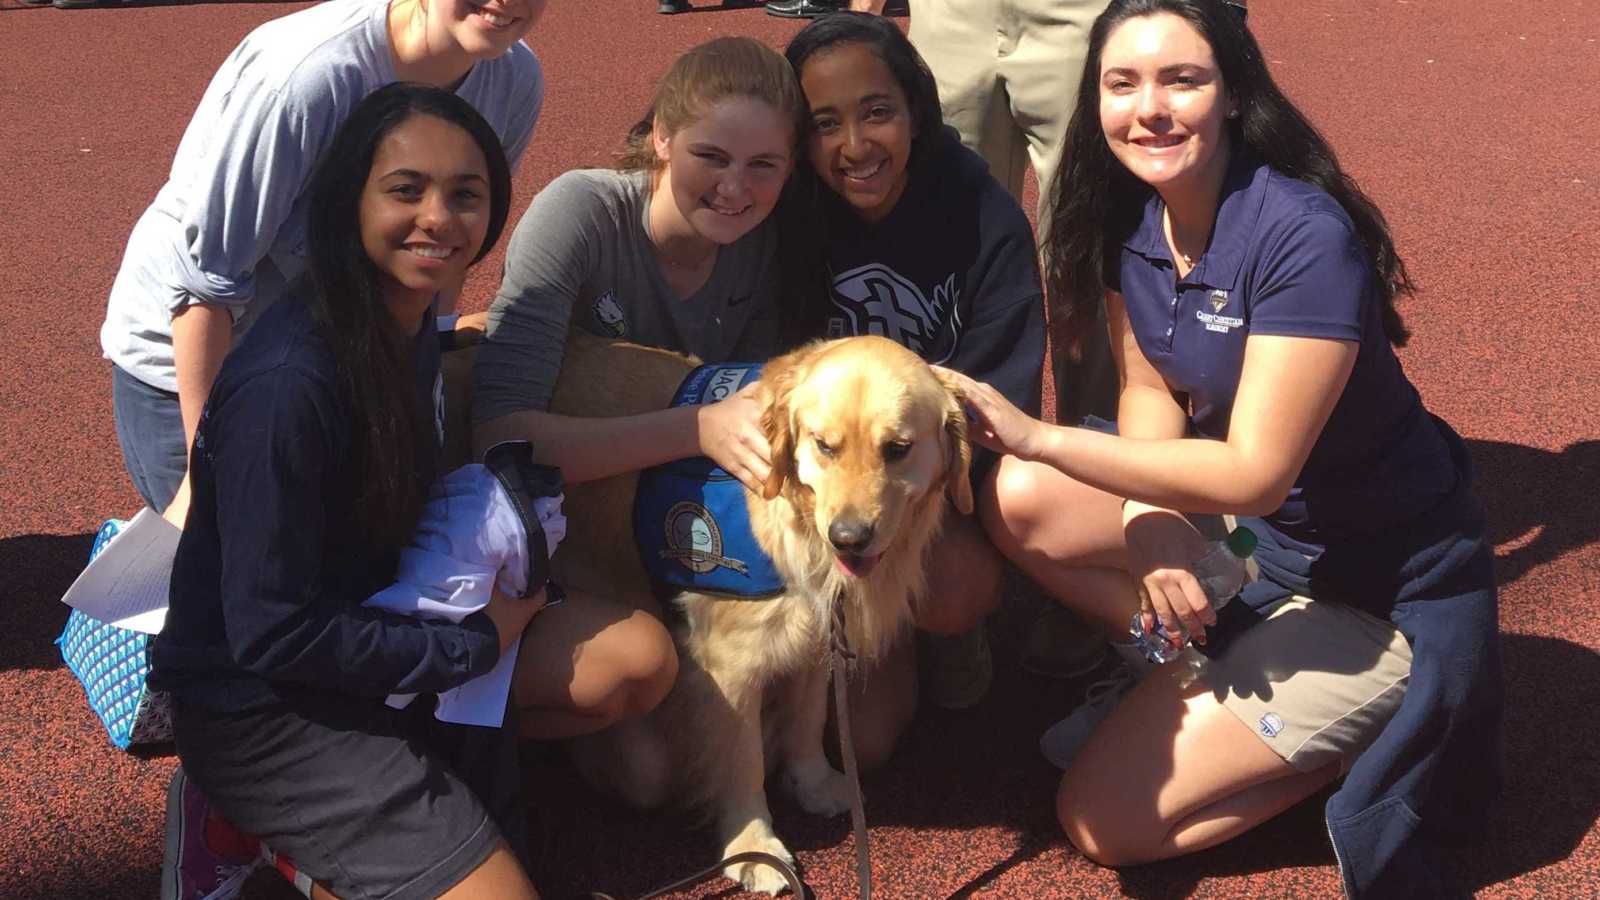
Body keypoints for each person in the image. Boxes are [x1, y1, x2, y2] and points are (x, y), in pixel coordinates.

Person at [947, 1, 1502, 894]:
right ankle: (1200, 663)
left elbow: (1254, 470)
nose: (1148, 108)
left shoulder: (1302, 235)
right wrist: (1149, 516)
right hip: (1260, 542)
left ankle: (1373, 726)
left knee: (1101, 822)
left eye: (1183, 79)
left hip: (1373, 586)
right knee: (1020, 498)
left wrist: (1043, 436)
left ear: (1235, 93)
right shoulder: (1132, 213)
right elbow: (1147, 386)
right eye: (1122, 83)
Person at [150, 84, 549, 900]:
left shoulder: (405, 325)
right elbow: (270, 634)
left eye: (466, 195)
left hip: (381, 628)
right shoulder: (289, 384)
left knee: (630, 666)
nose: (438, 218)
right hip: (262, 708)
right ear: (348, 201)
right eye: (406, 190)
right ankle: (233, 811)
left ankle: (332, 841)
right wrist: (472, 647)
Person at [470, 35, 804, 797]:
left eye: (764, 166)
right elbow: (498, 439)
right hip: (546, 536)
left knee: (824, 735)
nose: (734, 189)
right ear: (660, 137)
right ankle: (443, 726)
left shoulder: (764, 245)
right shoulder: (581, 214)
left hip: (664, 531)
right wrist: (693, 429)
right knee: (648, 776)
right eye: (710, 156)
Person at [100, 0, 546, 531]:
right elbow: (206, 283)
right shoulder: (307, 78)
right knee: (219, 559)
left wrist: (420, 386)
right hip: (201, 357)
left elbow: (446, 250)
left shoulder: (515, 79)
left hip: (332, 361)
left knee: (350, 561)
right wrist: (209, 469)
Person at [778, 13, 1044, 740]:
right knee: (858, 737)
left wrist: (928, 494)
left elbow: (997, 403)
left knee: (953, 590)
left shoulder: (984, 217)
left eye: (877, 114)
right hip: (820, 486)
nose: (855, 147)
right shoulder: (783, 211)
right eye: (824, 123)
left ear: (916, 113)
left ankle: (945, 630)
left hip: (923, 489)